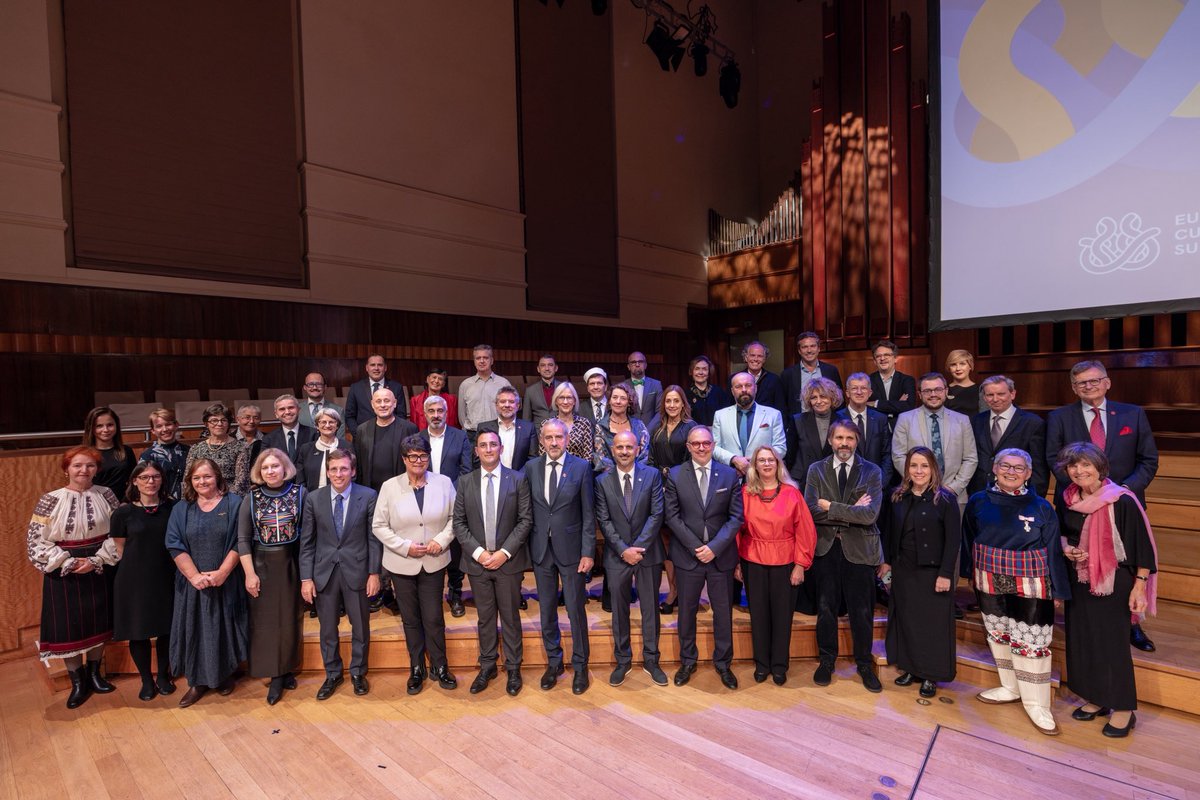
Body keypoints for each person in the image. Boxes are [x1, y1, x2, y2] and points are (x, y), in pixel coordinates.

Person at [1045, 359, 1159, 652]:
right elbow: (1053, 459)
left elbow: (1148, 460)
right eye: (1082, 382)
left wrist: (1119, 494)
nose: (1089, 386)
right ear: (1073, 387)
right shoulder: (1059, 416)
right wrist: (1084, 491)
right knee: (1080, 564)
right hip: (1077, 505)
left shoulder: (1133, 414)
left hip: (1122, 505)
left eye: (1095, 380)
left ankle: (1132, 623)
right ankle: (1084, 622)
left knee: (1126, 567)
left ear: (1107, 382)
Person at [962, 448, 1067, 736]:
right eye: (1005, 466)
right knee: (999, 634)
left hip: (1031, 581)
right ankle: (1010, 686)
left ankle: (1037, 703)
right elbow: (969, 536)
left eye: (1019, 468)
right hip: (988, 577)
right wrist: (968, 571)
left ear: (1029, 473)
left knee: (1032, 641)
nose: (1011, 472)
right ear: (994, 469)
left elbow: (1054, 548)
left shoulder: (1042, 508)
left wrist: (1057, 587)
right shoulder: (978, 501)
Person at [1057, 442, 1158, 738]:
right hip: (1080, 577)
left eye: (1086, 465)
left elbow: (1142, 548)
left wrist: (1139, 587)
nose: (1079, 471)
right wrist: (1068, 549)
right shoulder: (1068, 498)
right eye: (1073, 466)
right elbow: (1063, 533)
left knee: (1111, 644)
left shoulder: (1121, 500)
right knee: (1084, 640)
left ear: (1100, 467)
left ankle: (1124, 709)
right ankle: (1097, 697)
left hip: (1115, 581)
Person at [26, 445, 121, 708]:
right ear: (67, 468)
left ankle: (94, 673)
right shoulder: (50, 499)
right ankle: (77, 681)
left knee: (98, 621)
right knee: (69, 626)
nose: (84, 470)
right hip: (63, 568)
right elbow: (36, 539)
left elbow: (120, 532)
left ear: (97, 470)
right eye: (78, 465)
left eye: (90, 465)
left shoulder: (108, 494)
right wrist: (66, 562)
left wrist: (97, 560)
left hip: (100, 563)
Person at [372, 435, 458, 695]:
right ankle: (417, 667)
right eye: (413, 456)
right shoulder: (389, 486)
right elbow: (378, 525)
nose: (418, 460)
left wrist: (441, 541)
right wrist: (404, 546)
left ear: (428, 457)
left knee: (433, 617)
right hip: (402, 563)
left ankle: (440, 666)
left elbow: (456, 518)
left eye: (423, 455)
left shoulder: (443, 483)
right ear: (404, 459)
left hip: (434, 560)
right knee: (411, 619)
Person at [805, 419, 884, 692]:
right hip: (827, 548)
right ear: (830, 440)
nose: (844, 443)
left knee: (861, 611)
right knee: (826, 608)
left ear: (857, 440)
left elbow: (870, 514)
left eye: (849, 438)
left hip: (860, 549)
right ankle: (827, 661)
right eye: (839, 438)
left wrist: (832, 507)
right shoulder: (816, 470)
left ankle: (864, 664)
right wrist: (851, 509)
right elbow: (811, 511)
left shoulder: (871, 472)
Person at [664, 424, 744, 689]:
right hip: (688, 556)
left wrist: (715, 548)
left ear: (713, 445)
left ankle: (723, 663)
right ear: (688, 447)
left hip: (721, 557)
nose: (701, 447)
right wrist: (696, 547)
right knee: (686, 611)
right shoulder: (675, 475)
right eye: (695, 443)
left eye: (706, 443)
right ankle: (688, 660)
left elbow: (736, 517)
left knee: (723, 612)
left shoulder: (730, 475)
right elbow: (672, 517)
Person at [454, 431, 533, 697]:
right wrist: (479, 553)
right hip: (477, 564)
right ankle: (487, 665)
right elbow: (459, 523)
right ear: (476, 451)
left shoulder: (518, 479)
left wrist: (503, 553)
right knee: (485, 618)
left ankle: (513, 667)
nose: (488, 449)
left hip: (507, 562)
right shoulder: (464, 482)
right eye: (483, 445)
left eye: (492, 444)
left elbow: (525, 520)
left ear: (501, 448)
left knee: (510, 617)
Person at [879, 447, 961, 699]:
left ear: (933, 468)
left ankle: (930, 675)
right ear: (907, 470)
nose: (919, 471)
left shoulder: (945, 499)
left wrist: (946, 573)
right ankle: (911, 669)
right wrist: (887, 565)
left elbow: (953, 540)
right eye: (914, 466)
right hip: (904, 571)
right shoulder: (897, 496)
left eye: (924, 466)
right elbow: (890, 533)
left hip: (933, 573)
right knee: (908, 622)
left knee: (932, 626)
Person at [300, 448, 381, 700]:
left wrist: (374, 573)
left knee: (360, 626)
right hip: (324, 573)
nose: (338, 474)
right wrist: (306, 578)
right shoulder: (314, 498)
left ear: (353, 471)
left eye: (344, 468)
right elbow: (307, 542)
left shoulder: (368, 496)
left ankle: (358, 672)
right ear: (327, 471)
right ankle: (332, 673)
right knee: (327, 629)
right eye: (333, 469)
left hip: (357, 571)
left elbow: (374, 539)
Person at [166, 458, 248, 708]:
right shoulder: (182, 508)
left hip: (226, 580)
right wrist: (194, 576)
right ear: (190, 481)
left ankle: (222, 676)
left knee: (224, 627)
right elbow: (174, 542)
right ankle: (197, 682)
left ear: (218, 477)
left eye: (207, 476)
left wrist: (223, 572)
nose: (203, 482)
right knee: (196, 629)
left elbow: (240, 539)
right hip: (193, 584)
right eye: (197, 478)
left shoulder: (234, 503)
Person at [524, 418, 596, 694]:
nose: (554, 443)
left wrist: (588, 551)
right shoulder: (531, 468)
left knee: (576, 610)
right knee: (546, 610)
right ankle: (554, 662)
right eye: (549, 438)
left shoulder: (581, 468)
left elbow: (589, 514)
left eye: (559, 438)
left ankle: (580, 666)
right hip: (541, 550)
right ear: (542, 441)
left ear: (567, 440)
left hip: (573, 551)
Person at [736, 445, 815, 685]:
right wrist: (738, 563)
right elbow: (737, 531)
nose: (767, 464)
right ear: (755, 466)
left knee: (782, 617)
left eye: (771, 460)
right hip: (753, 560)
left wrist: (801, 564)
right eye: (762, 460)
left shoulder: (792, 494)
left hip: (785, 562)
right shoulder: (745, 493)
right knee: (758, 615)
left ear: (778, 464)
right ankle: (762, 664)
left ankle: (779, 665)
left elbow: (806, 531)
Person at [595, 430, 667, 687]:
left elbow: (657, 514)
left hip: (648, 554)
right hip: (617, 556)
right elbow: (603, 519)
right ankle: (622, 659)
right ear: (612, 451)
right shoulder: (602, 482)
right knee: (619, 611)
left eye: (629, 447)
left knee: (650, 609)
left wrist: (637, 548)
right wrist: (623, 549)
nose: (624, 451)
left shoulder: (652, 475)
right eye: (619, 447)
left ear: (638, 449)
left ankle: (651, 659)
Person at [237, 449, 305, 705]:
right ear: (259, 472)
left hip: (291, 563)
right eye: (265, 468)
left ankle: (286, 669)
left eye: (275, 466)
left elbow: (307, 536)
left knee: (289, 619)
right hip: (262, 564)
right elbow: (243, 539)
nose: (270, 471)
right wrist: (249, 574)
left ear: (284, 468)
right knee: (266, 623)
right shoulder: (251, 497)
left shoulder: (300, 493)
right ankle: (275, 674)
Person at [112, 461, 178, 701]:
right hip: (134, 579)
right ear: (134, 481)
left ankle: (163, 675)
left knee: (166, 629)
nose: (151, 481)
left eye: (156, 477)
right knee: (138, 631)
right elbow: (120, 549)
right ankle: (146, 680)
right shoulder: (123, 512)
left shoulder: (173, 507)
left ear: (162, 480)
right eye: (145, 477)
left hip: (166, 575)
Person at [891, 372, 978, 510]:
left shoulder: (962, 420)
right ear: (920, 394)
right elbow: (898, 456)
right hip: (916, 494)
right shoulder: (905, 419)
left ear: (946, 391)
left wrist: (953, 488)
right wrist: (921, 483)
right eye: (927, 391)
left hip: (954, 495)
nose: (933, 394)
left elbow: (970, 458)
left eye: (938, 389)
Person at [420, 393, 473, 617]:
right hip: (425, 501)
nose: (436, 415)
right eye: (431, 411)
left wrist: (448, 491)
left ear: (446, 413)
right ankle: (430, 596)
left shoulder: (460, 437)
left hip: (454, 499)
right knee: (430, 545)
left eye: (440, 411)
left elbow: (466, 469)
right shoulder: (418, 437)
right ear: (424, 414)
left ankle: (455, 593)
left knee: (454, 547)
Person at [647, 386, 696, 614]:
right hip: (659, 487)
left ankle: (684, 592)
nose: (672, 405)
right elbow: (650, 458)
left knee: (681, 542)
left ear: (683, 403)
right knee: (666, 542)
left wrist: (672, 477)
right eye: (668, 401)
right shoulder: (657, 427)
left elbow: (692, 459)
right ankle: (673, 591)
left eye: (676, 401)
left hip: (682, 487)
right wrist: (659, 477)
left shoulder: (691, 427)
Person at [968, 375, 1048, 498]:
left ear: (1012, 394)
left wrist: (1034, 498)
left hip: (1017, 495)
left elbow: (1039, 467)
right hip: (980, 493)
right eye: (990, 395)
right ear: (984, 397)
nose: (995, 399)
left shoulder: (1032, 423)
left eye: (1001, 394)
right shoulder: (976, 421)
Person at [713, 371, 788, 476]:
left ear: (756, 388)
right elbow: (714, 447)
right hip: (731, 475)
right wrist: (734, 459)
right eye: (738, 386)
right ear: (732, 391)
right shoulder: (720, 415)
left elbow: (781, 448)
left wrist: (755, 462)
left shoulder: (773, 415)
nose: (744, 390)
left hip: (763, 476)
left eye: (748, 385)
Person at [835, 373, 895, 490]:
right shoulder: (837, 418)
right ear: (847, 393)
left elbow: (887, 454)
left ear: (870, 393)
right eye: (854, 388)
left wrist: (880, 483)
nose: (859, 392)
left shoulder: (880, 418)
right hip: (845, 487)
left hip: (876, 486)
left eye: (863, 388)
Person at [353, 387, 418, 491]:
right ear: (372, 404)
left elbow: (415, 461)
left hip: (401, 489)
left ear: (395, 403)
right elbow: (359, 464)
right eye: (378, 401)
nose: (382, 405)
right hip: (370, 491)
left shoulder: (409, 429)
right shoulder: (362, 430)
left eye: (387, 401)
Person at [187, 403, 251, 495]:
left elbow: (241, 481)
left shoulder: (241, 447)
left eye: (223, 420)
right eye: (214, 420)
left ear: (228, 423)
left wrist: (219, 498)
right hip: (201, 497)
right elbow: (188, 478)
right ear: (206, 424)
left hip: (230, 498)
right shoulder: (196, 448)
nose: (219, 424)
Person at [788, 377, 840, 491]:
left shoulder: (842, 421)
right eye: (813, 398)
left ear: (832, 397)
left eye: (823, 396)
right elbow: (789, 457)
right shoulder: (798, 421)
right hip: (803, 482)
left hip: (833, 482)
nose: (819, 401)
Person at [782, 331, 844, 417]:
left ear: (818, 348)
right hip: (799, 425)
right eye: (804, 347)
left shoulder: (831, 370)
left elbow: (839, 399)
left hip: (828, 422)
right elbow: (783, 404)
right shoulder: (788, 374)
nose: (809, 350)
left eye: (813, 346)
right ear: (799, 351)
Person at [344, 353, 409, 434]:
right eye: (372, 365)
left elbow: (401, 414)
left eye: (380, 365)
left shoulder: (396, 387)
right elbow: (349, 416)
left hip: (390, 435)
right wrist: (358, 434)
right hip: (363, 436)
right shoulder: (356, 388)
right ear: (367, 368)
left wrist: (395, 433)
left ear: (385, 368)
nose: (376, 368)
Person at [593, 381, 650, 472]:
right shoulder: (600, 427)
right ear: (610, 401)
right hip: (610, 478)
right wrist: (619, 475)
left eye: (623, 398)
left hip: (637, 476)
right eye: (615, 397)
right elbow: (601, 459)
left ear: (629, 403)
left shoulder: (639, 426)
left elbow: (645, 456)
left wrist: (632, 473)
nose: (618, 401)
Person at [459, 344, 512, 438]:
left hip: (498, 433)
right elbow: (462, 413)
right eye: (478, 358)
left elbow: (511, 409)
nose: (482, 361)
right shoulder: (465, 385)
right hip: (472, 435)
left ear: (492, 360)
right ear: (474, 361)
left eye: (485, 358)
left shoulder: (504, 383)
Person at [478, 386, 537, 470]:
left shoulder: (528, 428)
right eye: (502, 401)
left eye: (511, 402)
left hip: (520, 480)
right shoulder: (484, 428)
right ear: (496, 405)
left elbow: (533, 459)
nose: (507, 405)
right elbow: (477, 458)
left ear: (518, 405)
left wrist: (518, 478)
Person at [84, 406, 136, 498]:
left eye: (110, 425)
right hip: (94, 504)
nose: (106, 430)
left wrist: (126, 502)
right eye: (99, 426)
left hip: (122, 504)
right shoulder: (84, 454)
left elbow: (134, 481)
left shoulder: (126, 451)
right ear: (91, 428)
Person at [139, 407, 190, 500]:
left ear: (176, 425)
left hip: (188, 503)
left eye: (168, 424)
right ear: (153, 431)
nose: (165, 429)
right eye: (159, 426)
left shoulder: (189, 451)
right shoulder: (148, 455)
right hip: (161, 504)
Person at [295, 406, 351, 489]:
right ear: (317, 426)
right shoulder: (306, 449)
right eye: (323, 422)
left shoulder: (347, 446)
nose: (327, 425)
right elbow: (300, 480)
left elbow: (353, 474)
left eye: (331, 422)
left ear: (337, 426)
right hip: (312, 498)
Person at [538, 382, 594, 461]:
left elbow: (588, 456)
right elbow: (542, 455)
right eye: (561, 398)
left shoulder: (584, 423)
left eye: (569, 398)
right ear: (556, 401)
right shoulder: (546, 424)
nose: (565, 402)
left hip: (578, 471)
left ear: (574, 401)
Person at [867, 339, 916, 428]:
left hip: (901, 429)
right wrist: (897, 404)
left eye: (887, 355)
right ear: (874, 361)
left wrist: (876, 404)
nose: (882, 358)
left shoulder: (907, 380)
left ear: (895, 359)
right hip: (875, 430)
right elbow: (865, 408)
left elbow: (908, 406)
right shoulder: (867, 381)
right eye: (878, 356)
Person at [262, 394, 317, 465]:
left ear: (299, 410)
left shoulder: (314, 434)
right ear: (276, 414)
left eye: (291, 407)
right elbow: (265, 464)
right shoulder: (269, 439)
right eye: (282, 409)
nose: (287, 412)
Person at [739, 340, 787, 414]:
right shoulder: (736, 379)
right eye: (752, 355)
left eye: (760, 356)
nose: (756, 359)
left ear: (764, 359)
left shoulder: (774, 380)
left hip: (767, 424)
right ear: (746, 357)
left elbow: (781, 409)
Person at [685, 355, 733, 427]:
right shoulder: (685, 394)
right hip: (695, 435)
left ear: (709, 372)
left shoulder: (719, 392)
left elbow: (727, 415)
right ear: (692, 371)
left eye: (704, 369)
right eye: (697, 369)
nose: (700, 372)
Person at [298, 372, 345, 437]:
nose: (314, 387)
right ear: (305, 387)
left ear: (325, 387)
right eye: (310, 384)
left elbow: (340, 440)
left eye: (319, 384)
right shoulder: (297, 409)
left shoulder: (338, 410)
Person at [523, 354, 563, 427]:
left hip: (561, 432)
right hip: (538, 434)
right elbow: (526, 419)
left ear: (556, 368)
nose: (547, 368)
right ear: (538, 369)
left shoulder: (564, 388)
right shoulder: (530, 391)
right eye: (543, 365)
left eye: (550, 365)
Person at [626, 351, 663, 428]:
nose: (637, 364)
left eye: (640, 362)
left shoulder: (656, 385)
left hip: (652, 432)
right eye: (633, 362)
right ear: (628, 367)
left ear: (645, 365)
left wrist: (648, 430)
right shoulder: (622, 386)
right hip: (629, 432)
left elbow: (660, 411)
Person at [944, 349, 984, 417]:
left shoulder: (980, 390)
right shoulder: (943, 390)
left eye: (962, 364)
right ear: (949, 368)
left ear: (970, 366)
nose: (958, 368)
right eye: (953, 364)